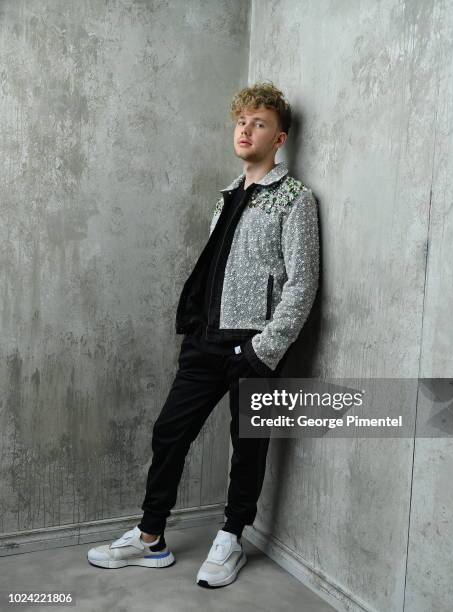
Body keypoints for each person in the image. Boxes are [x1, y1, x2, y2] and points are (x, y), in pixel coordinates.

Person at [87, 82, 320, 588]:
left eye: (259, 123)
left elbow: (302, 284)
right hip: (205, 341)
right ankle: (151, 537)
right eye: (241, 120)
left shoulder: (295, 199)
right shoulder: (227, 197)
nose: (245, 129)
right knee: (169, 431)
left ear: (279, 138)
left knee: (248, 445)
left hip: (254, 346)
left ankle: (232, 536)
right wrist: (196, 329)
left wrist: (264, 349)